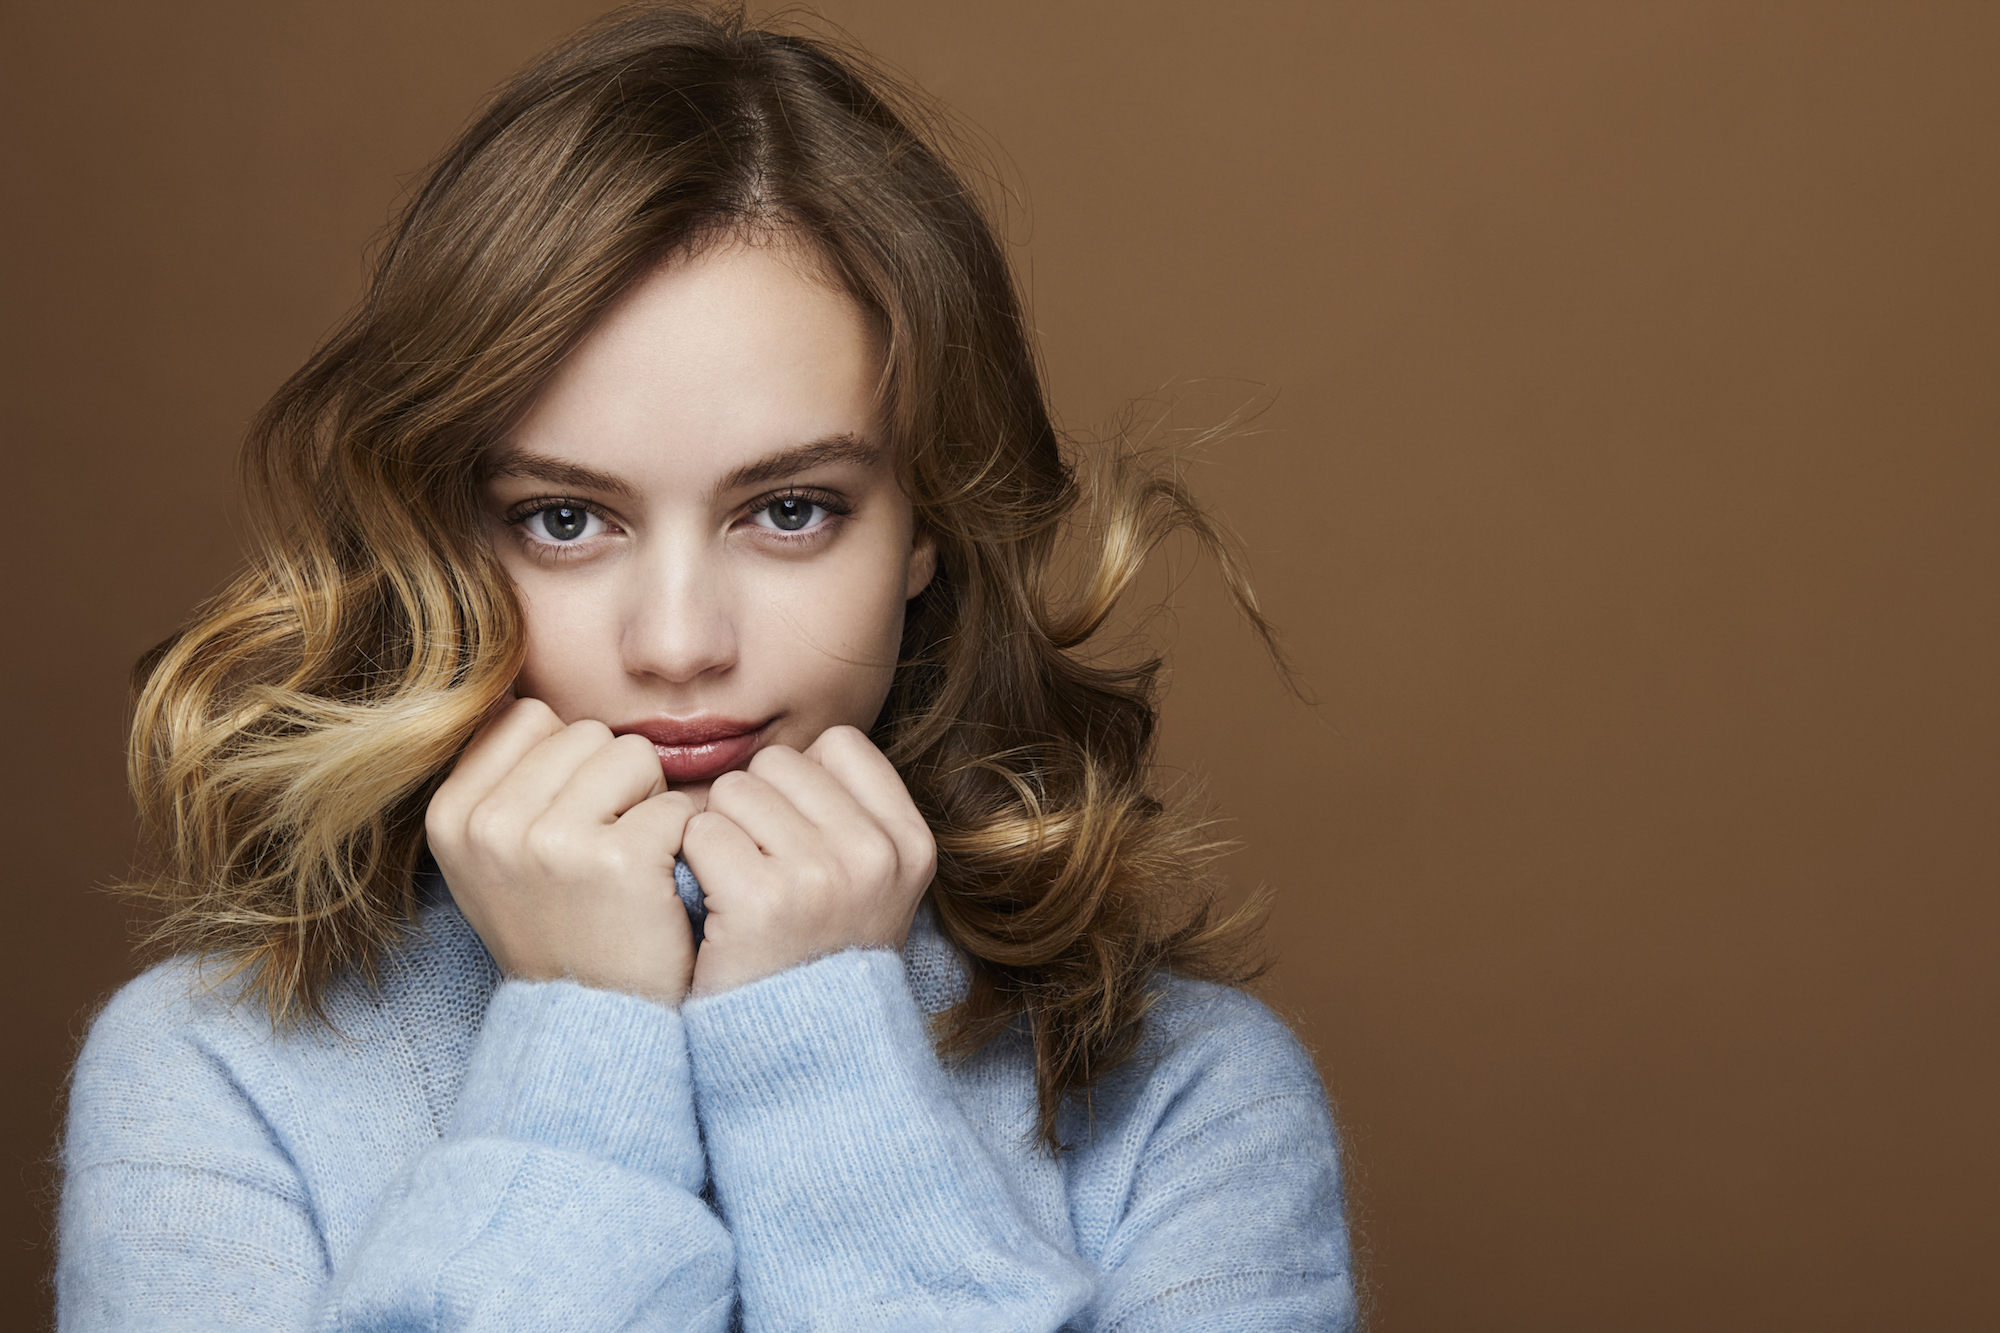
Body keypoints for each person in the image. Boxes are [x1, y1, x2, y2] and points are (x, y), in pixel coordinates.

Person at [57, 5, 1357, 1329]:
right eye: (565, 519)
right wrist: (578, 1047)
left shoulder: (1189, 1098)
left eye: (789, 509)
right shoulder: (209, 1077)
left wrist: (820, 1052)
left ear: (927, 524)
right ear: (442, 535)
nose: (679, 644)